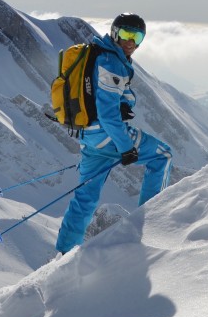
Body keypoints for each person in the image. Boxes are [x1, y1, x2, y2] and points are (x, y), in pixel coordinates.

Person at [55, 13, 173, 255]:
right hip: (108, 134)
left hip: (88, 135)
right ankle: (148, 226)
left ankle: (64, 252)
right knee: (163, 156)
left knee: (85, 198)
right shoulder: (112, 63)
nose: (131, 41)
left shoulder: (97, 52)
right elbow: (108, 115)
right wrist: (126, 148)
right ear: (115, 32)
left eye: (137, 36)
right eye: (127, 34)